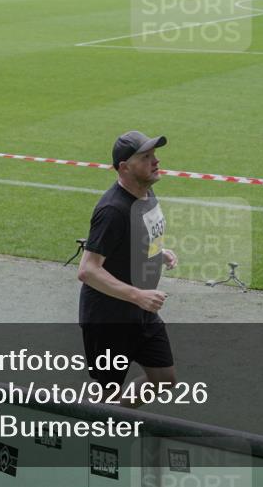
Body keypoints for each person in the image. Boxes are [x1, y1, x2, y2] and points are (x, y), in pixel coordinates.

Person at [77, 130, 178, 407]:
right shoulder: (112, 210)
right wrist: (138, 295)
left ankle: (116, 417)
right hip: (108, 318)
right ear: (124, 167)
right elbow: (88, 270)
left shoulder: (146, 192)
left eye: (154, 155)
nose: (155, 161)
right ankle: (99, 432)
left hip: (140, 311)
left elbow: (140, 236)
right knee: (107, 391)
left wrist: (157, 253)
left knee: (165, 378)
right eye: (146, 157)